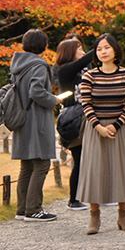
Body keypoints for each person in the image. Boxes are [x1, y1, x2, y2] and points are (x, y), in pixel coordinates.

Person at [77, 33, 125, 235]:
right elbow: (86, 103)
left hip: (119, 129)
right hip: (95, 130)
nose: (103, 52)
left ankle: (123, 214)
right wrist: (98, 127)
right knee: (94, 171)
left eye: (106, 47)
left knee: (121, 170)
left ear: (115, 50)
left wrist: (116, 125)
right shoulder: (89, 76)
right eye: (99, 49)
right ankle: (94, 216)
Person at [11, 29, 61, 222]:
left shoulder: (18, 64)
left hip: (21, 120)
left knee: (26, 166)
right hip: (36, 121)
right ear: (45, 46)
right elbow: (37, 92)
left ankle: (22, 209)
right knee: (41, 164)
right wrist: (54, 100)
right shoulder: (39, 65)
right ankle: (34, 210)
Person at [54, 36, 95, 211]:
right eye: (78, 47)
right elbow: (87, 58)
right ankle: (73, 199)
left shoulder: (86, 69)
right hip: (74, 121)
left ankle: (97, 196)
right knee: (79, 159)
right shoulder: (64, 70)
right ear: (70, 51)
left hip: (90, 117)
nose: (82, 49)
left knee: (94, 158)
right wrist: (101, 44)